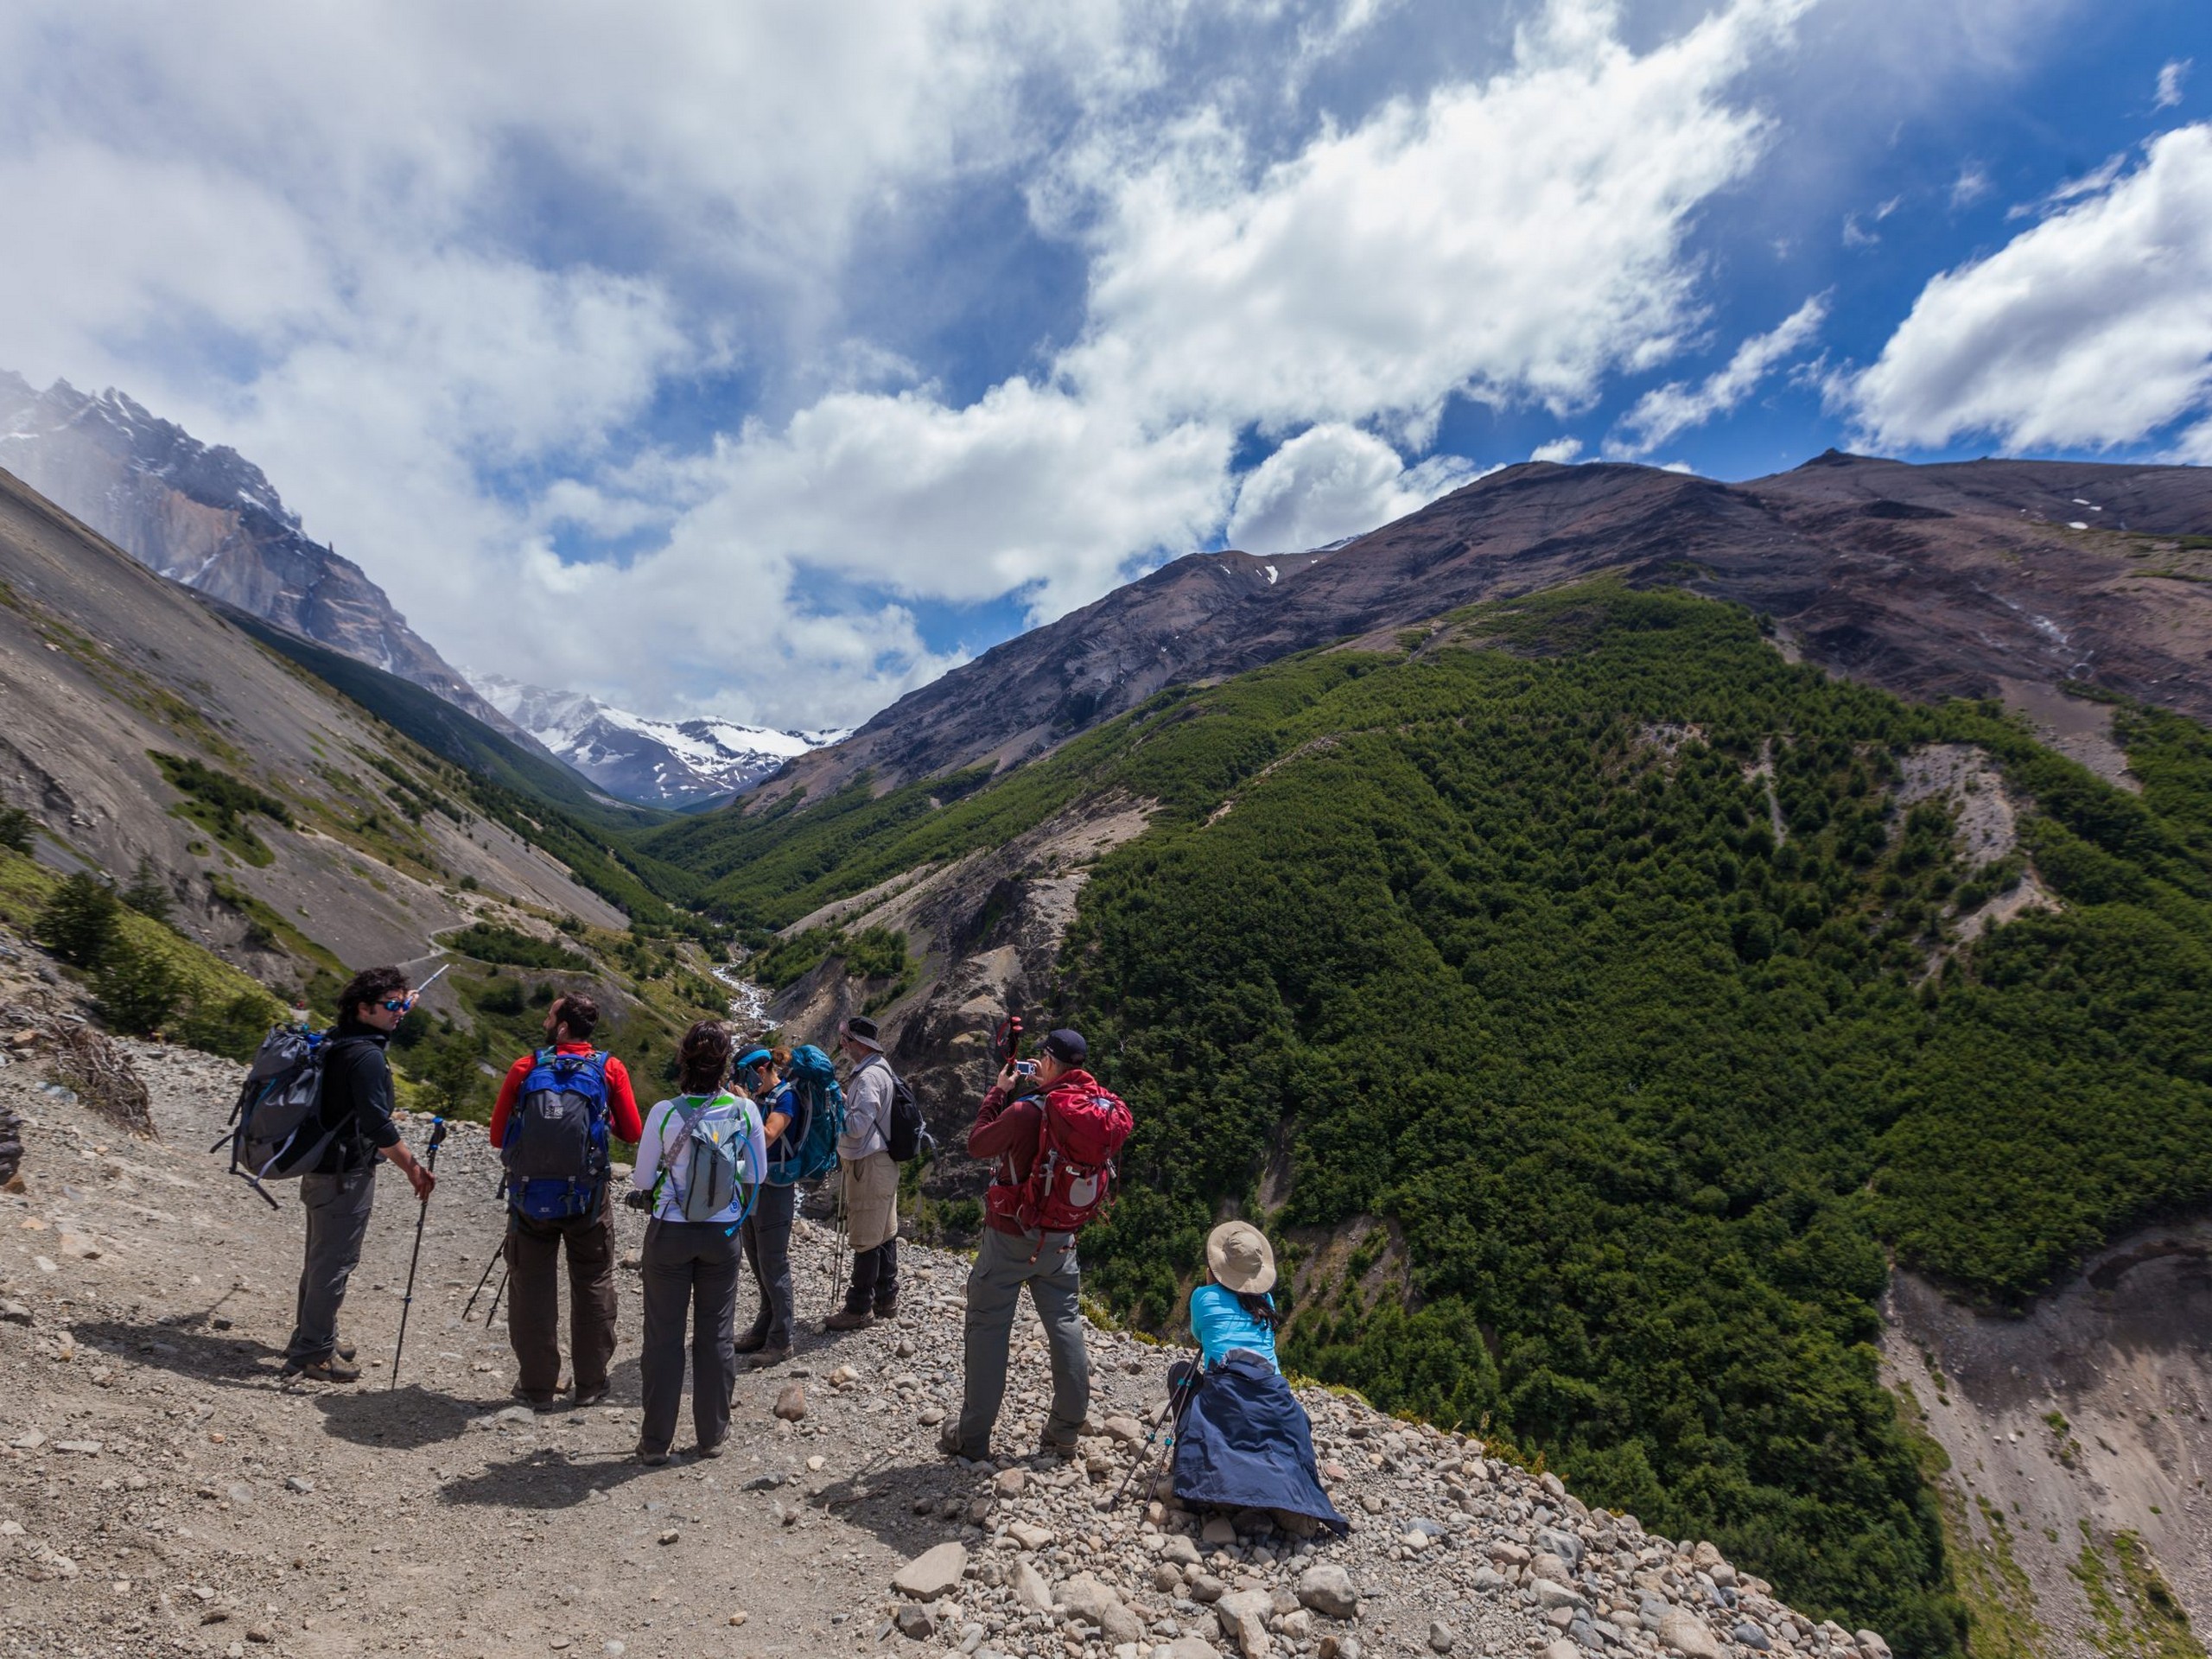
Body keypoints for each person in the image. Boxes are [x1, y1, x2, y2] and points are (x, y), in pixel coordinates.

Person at [940, 1027, 1122, 1461]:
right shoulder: (1095, 1110)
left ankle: (973, 1437)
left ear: (1049, 1061)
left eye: (1040, 1057)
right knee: (1065, 1324)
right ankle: (1064, 1432)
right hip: (1062, 1236)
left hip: (1010, 1235)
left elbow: (978, 1143)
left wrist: (997, 1093)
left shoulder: (1026, 1111)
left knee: (988, 1328)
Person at [280, 967, 436, 1383]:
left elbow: (375, 1038)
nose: (399, 1012)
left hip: (322, 1169)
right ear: (364, 1009)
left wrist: (403, 1006)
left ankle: (314, 1336)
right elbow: (377, 1125)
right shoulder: (365, 1056)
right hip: (345, 1173)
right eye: (391, 1006)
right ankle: (312, 1354)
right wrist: (413, 1169)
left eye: (402, 1004)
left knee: (320, 1261)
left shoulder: (342, 1039)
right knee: (334, 1264)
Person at [487, 993, 642, 1408]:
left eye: (550, 1014)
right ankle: (590, 1384)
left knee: (531, 1287)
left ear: (561, 1027)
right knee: (592, 1281)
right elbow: (632, 1132)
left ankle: (537, 1387)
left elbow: (498, 1137)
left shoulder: (526, 1067)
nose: (544, 1018)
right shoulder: (609, 1068)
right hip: (587, 1198)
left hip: (529, 1199)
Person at [629, 1021, 764, 1464]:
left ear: (683, 1060)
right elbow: (756, 1175)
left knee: (663, 1337)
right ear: (726, 1064)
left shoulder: (665, 1113)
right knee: (717, 1333)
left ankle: (655, 1442)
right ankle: (711, 1435)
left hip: (670, 1231)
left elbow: (644, 1180)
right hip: (722, 1233)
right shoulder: (745, 1113)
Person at [1169, 1222, 1346, 1535]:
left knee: (1180, 1374)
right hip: (1272, 1399)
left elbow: (1200, 1335)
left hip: (1226, 1394)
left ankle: (1192, 1462)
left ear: (1217, 1266)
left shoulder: (1203, 1298)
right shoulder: (1267, 1305)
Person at [823, 1014, 899, 1332]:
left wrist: (835, 1110)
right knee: (884, 1232)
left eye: (845, 1039)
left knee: (866, 1237)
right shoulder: (882, 1070)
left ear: (858, 1043)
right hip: (884, 1161)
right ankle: (886, 1298)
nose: (842, 1044)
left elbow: (856, 1127)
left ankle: (858, 1308)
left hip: (868, 1165)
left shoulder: (868, 1078)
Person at [732, 1045, 800, 1366]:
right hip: (751, 1183)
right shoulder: (759, 1098)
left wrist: (744, 1104)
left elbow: (770, 1134)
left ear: (760, 1071)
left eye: (744, 1075)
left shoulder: (785, 1097)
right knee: (757, 1259)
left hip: (775, 1188)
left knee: (773, 1263)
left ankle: (781, 1340)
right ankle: (764, 1326)